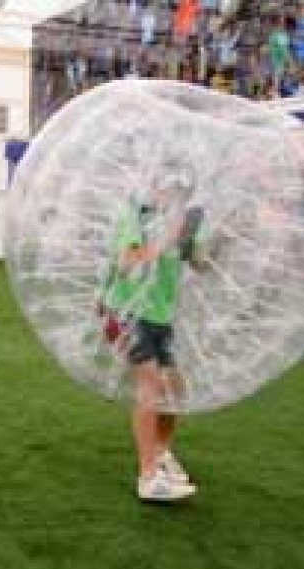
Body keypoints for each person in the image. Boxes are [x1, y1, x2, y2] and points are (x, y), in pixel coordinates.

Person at [99, 161, 209, 503]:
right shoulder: (136, 215)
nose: (173, 195)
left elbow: (201, 264)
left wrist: (201, 244)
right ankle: (148, 477)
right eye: (169, 188)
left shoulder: (184, 221)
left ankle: (161, 453)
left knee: (173, 389)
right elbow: (127, 262)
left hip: (161, 315)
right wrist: (167, 238)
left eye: (180, 191)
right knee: (151, 384)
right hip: (128, 311)